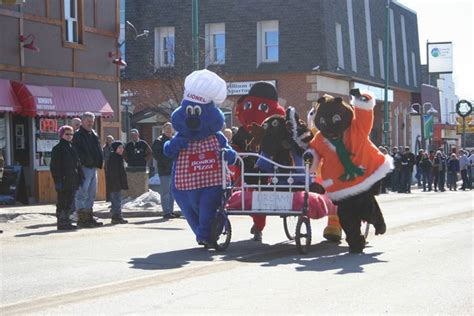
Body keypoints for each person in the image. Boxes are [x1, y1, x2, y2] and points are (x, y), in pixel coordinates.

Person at [72, 112, 104, 228]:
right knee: (81, 194)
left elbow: (98, 149)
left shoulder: (93, 134)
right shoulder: (78, 135)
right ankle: (81, 218)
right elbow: (76, 152)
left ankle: (89, 217)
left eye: (92, 121)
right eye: (88, 121)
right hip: (84, 168)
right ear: (83, 121)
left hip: (93, 167)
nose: (90, 123)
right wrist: (83, 162)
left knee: (91, 194)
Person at [50, 125, 82, 230]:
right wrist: (58, 181)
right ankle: (61, 222)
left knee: (69, 202)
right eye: (67, 134)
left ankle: (67, 220)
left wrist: (80, 177)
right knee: (62, 202)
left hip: (72, 179)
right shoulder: (58, 148)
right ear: (61, 134)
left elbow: (77, 163)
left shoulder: (72, 147)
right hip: (63, 179)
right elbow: (54, 167)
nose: (69, 136)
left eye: (71, 134)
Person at [152, 122, 180, 219]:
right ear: (163, 130)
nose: (169, 130)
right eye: (167, 128)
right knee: (165, 192)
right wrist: (167, 161)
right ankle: (166, 212)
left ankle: (171, 211)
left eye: (170, 128)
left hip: (174, 170)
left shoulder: (174, 140)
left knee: (172, 192)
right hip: (164, 170)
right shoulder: (159, 141)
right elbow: (156, 155)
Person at [106, 141, 129, 224]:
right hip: (114, 183)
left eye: (122, 148)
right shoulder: (113, 157)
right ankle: (116, 216)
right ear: (115, 148)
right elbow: (113, 172)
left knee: (118, 200)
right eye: (119, 148)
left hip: (117, 182)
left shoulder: (119, 157)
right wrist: (116, 183)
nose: (121, 149)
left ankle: (117, 216)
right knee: (116, 200)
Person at [103, 135, 115, 202]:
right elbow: (103, 157)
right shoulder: (104, 148)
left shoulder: (115, 147)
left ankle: (113, 198)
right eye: (108, 140)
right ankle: (108, 198)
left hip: (114, 167)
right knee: (108, 183)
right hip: (107, 167)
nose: (109, 141)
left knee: (114, 182)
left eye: (111, 140)